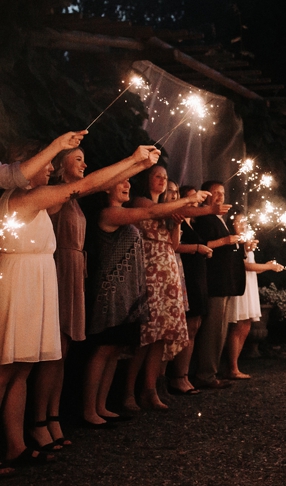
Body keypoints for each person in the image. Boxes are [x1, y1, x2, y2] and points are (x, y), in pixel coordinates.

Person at [0, 142, 157, 466]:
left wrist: (137, 165)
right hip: (19, 282)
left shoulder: (43, 203)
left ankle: (16, 445)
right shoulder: (24, 199)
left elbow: (92, 186)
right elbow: (83, 185)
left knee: (22, 369)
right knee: (5, 371)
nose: (50, 168)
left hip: (38, 280)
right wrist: (131, 159)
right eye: (44, 163)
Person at [81, 178, 210, 428]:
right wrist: (193, 202)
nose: (128, 185)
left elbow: (168, 237)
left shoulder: (131, 213)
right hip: (112, 285)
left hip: (130, 284)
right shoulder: (111, 213)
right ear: (106, 187)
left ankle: (102, 406)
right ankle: (90, 409)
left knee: (116, 347)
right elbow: (150, 211)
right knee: (106, 347)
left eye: (130, 181)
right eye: (121, 182)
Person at [192, 181, 243, 389]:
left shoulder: (220, 219)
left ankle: (211, 372)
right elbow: (204, 245)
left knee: (220, 329)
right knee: (212, 330)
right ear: (205, 195)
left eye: (222, 192)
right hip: (213, 281)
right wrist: (226, 241)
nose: (220, 196)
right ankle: (205, 374)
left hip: (224, 282)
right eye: (215, 193)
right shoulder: (204, 218)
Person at [222, 213, 282, 379]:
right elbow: (244, 266)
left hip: (249, 284)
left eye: (244, 222)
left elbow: (253, 267)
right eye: (238, 222)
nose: (242, 225)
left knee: (246, 325)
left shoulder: (245, 242)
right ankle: (232, 367)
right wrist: (267, 266)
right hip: (239, 285)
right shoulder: (233, 241)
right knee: (238, 326)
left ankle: (235, 366)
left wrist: (270, 266)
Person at [167, 185, 213, 395]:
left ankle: (184, 375)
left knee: (194, 326)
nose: (195, 201)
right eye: (191, 197)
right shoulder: (175, 218)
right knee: (188, 325)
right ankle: (177, 376)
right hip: (185, 273)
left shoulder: (191, 224)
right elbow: (173, 246)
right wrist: (196, 248)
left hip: (197, 274)